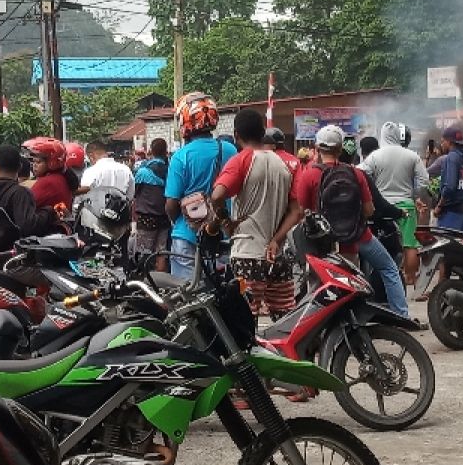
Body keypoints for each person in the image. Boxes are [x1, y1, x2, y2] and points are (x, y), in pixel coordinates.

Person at [292, 125, 409, 318]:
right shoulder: (356, 173)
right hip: (358, 238)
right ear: (340, 149)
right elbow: (369, 210)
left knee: (320, 285)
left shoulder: (308, 175)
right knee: (388, 268)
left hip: (323, 243)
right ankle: (401, 315)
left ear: (317, 148)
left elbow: (302, 211)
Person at [211, 109, 298, 318]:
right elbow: (296, 211)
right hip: (278, 256)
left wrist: (225, 221)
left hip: (247, 255)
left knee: (245, 321)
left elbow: (216, 196)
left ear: (236, 135)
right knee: (284, 318)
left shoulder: (241, 160)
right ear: (262, 133)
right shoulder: (284, 164)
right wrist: (276, 239)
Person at [164, 92, 238, 278]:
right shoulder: (229, 149)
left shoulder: (181, 157)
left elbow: (171, 204)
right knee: (222, 293)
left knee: (187, 296)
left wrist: (180, 221)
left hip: (187, 235)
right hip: (222, 234)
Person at [361, 121, 430, 287]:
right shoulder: (411, 155)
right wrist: (416, 197)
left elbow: (361, 174)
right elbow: (424, 182)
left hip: (383, 208)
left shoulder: (375, 156)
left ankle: (382, 277)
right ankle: (410, 278)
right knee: (410, 244)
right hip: (406, 206)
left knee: (380, 243)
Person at [0, 145, 63, 250]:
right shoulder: (20, 194)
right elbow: (29, 226)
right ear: (19, 167)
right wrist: (48, 212)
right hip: (11, 258)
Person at [131, 138, 171, 272]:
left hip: (146, 219)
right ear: (165, 152)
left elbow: (134, 193)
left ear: (150, 151)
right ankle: (161, 286)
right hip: (165, 218)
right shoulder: (170, 171)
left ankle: (145, 284)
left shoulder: (143, 172)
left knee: (144, 253)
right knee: (161, 253)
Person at [433, 126, 463, 232]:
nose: (442, 144)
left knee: (447, 245)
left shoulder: (451, 157)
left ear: (450, 142)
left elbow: (450, 187)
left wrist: (439, 206)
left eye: (443, 141)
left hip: (452, 214)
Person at [23, 137, 76, 216]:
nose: (34, 165)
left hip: (48, 227)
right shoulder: (60, 176)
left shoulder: (48, 182)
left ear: (52, 162)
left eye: (38, 161)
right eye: (33, 161)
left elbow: (24, 205)